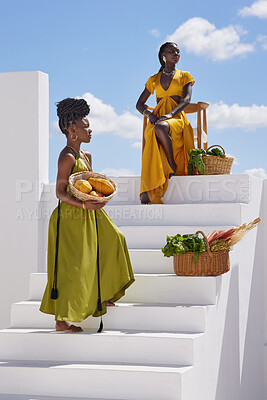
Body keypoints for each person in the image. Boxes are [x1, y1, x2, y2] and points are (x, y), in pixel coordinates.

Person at [40, 98, 135, 332]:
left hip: (89, 212)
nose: (90, 129)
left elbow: (90, 184)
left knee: (115, 239)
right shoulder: (67, 157)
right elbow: (60, 192)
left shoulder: (86, 156)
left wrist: (96, 200)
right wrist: (84, 207)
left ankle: (101, 293)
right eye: (85, 126)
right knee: (73, 266)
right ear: (72, 129)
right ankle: (61, 321)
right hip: (70, 218)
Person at [136, 42, 195, 204]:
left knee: (161, 127)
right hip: (158, 117)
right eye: (171, 51)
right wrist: (149, 114)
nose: (176, 53)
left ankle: (171, 164)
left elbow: (186, 100)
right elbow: (139, 104)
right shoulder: (153, 79)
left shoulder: (185, 76)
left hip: (176, 117)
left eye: (177, 51)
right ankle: (152, 186)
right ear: (163, 56)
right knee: (155, 129)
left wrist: (169, 114)